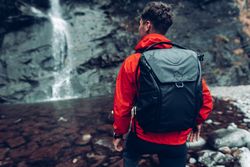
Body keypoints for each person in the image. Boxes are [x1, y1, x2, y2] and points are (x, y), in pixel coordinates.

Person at [112, 1, 213, 167]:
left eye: (140, 24)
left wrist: (119, 133)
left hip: (143, 136)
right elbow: (206, 99)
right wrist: (195, 122)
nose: (139, 28)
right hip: (177, 140)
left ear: (147, 25)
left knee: (130, 153)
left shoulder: (133, 61)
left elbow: (123, 106)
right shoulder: (187, 60)